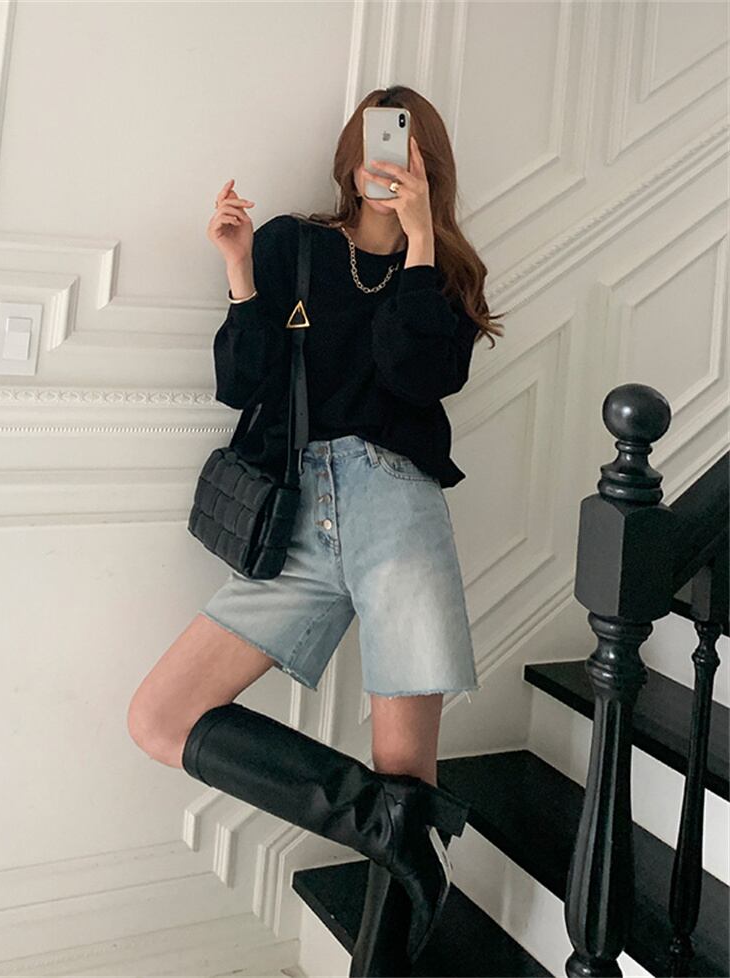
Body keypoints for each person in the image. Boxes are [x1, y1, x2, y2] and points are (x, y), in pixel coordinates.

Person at [127, 85, 504, 976]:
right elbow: (242, 384)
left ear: (430, 168)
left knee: (408, 776)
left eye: (407, 149)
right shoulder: (293, 245)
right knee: (160, 717)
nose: (387, 160)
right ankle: (385, 823)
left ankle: (391, 900)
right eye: (377, 142)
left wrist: (420, 242)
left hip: (399, 510)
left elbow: (414, 377)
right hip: (298, 517)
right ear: (350, 154)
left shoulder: (449, 276)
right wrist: (238, 267)